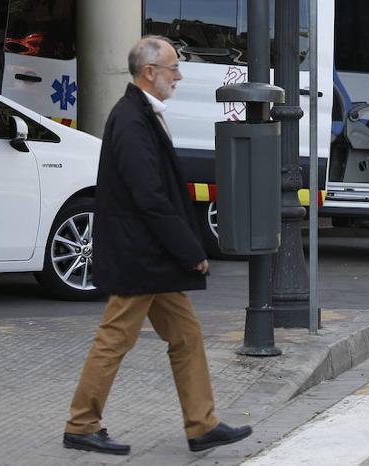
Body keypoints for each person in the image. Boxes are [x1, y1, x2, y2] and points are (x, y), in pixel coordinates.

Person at [63, 36, 252, 456]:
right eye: (173, 69)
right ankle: (81, 424)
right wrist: (191, 249)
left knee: (185, 335)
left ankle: (202, 425)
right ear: (150, 73)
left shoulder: (141, 113)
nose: (179, 76)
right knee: (115, 338)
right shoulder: (131, 119)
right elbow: (148, 195)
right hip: (140, 255)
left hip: (151, 256)